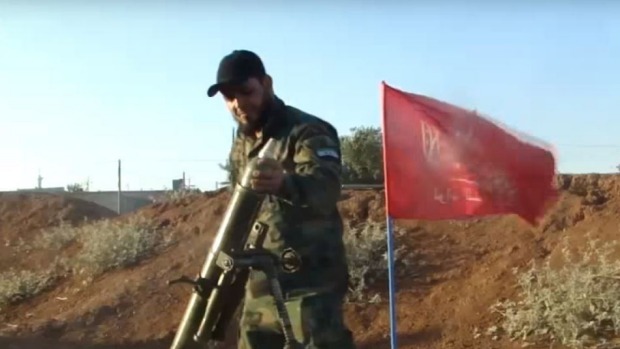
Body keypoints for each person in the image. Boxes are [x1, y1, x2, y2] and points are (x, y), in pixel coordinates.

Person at [207, 49, 356, 349]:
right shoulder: (241, 143)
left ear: (267, 84)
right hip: (260, 286)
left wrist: (285, 183)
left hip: (311, 285)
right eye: (228, 97)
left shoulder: (307, 131)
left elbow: (326, 189)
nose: (238, 104)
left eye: (246, 92)